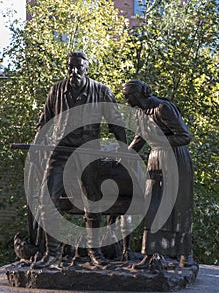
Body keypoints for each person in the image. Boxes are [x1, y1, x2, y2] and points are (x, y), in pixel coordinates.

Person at [32, 51, 127, 268]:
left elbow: (117, 123)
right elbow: (44, 122)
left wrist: (124, 151)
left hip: (88, 151)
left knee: (93, 201)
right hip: (61, 150)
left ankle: (95, 254)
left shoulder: (101, 90)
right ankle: (53, 255)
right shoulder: (56, 90)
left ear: (87, 67)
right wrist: (37, 148)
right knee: (48, 201)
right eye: (70, 67)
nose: (74, 71)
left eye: (78, 67)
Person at [122, 79, 194, 268]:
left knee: (178, 206)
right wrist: (124, 154)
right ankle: (150, 254)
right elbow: (140, 138)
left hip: (175, 160)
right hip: (155, 160)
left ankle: (185, 255)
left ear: (138, 94)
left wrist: (160, 141)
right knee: (151, 205)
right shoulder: (140, 113)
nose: (126, 100)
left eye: (127, 96)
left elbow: (185, 136)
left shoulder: (163, 108)